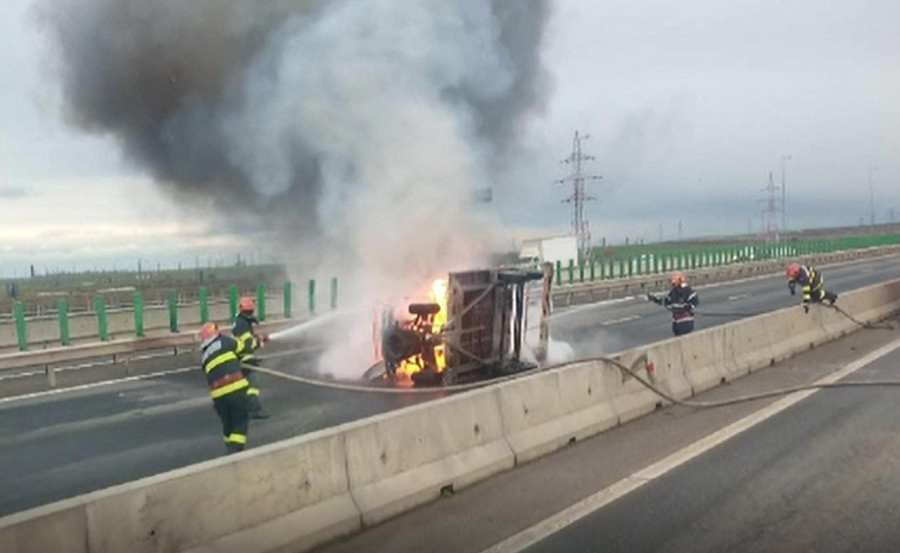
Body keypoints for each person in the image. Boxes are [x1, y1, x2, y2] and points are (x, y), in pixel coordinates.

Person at [198, 321, 250, 454]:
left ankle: (229, 449)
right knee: (240, 421)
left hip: (218, 397)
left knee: (228, 426)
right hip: (235, 389)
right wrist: (259, 342)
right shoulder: (225, 341)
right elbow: (243, 347)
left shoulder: (204, 356)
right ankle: (234, 452)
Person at [232, 296, 269, 419]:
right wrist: (260, 341)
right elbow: (248, 345)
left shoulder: (241, 322)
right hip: (244, 359)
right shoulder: (242, 324)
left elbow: (247, 340)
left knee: (243, 387)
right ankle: (254, 410)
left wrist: (258, 338)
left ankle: (241, 411)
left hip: (240, 359)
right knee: (253, 386)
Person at [647, 271, 700, 336]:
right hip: (677, 324)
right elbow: (666, 302)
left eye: (674, 283)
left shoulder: (687, 291)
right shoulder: (674, 292)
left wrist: (688, 306)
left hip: (686, 322)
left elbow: (695, 301)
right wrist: (654, 299)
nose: (673, 285)